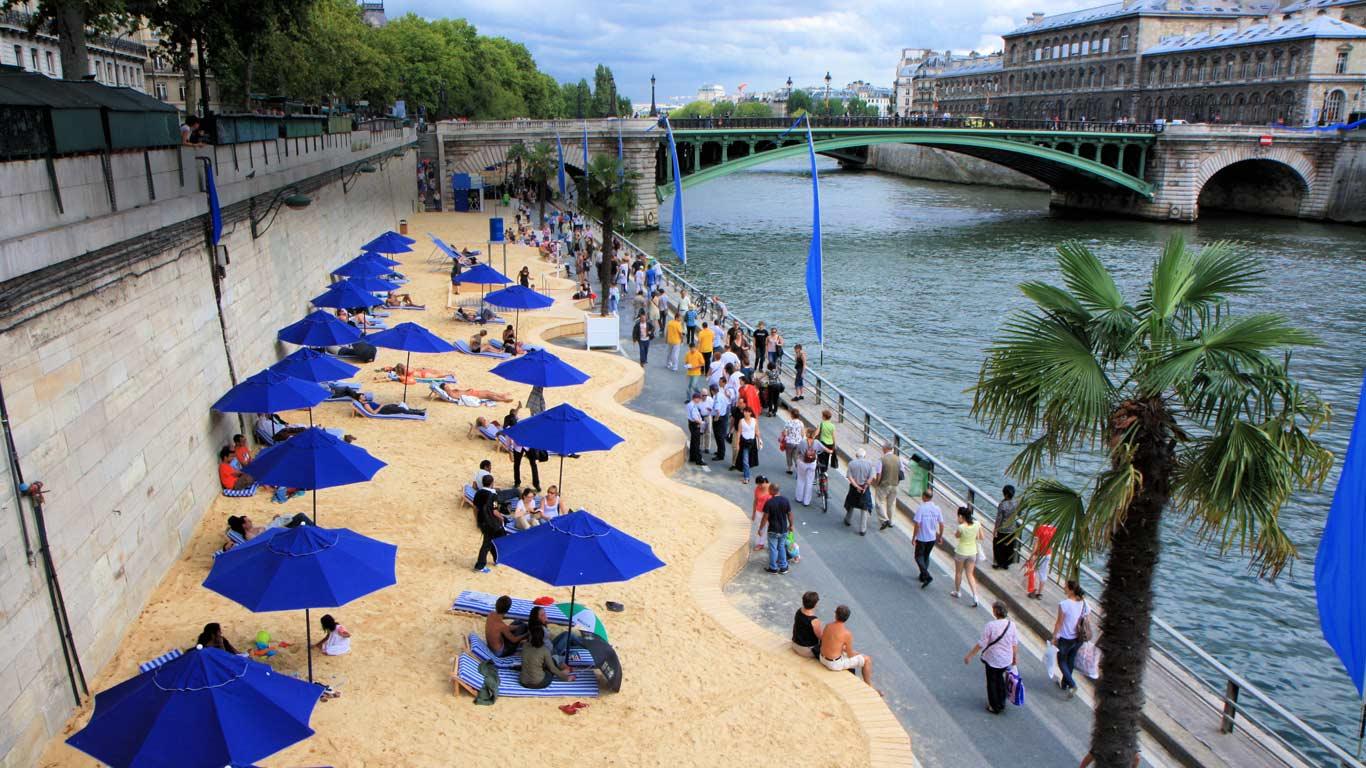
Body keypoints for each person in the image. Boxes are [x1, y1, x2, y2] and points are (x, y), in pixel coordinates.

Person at [963, 601, 1018, 714]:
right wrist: (1014, 658)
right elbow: (1014, 643)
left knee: (992, 681)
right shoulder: (1011, 625)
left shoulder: (991, 626)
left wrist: (970, 655)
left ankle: (994, 706)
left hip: (992, 659)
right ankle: (1002, 702)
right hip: (1005, 659)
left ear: (996, 612)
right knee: (1000, 679)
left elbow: (982, 643)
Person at [819, 605, 875, 688]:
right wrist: (857, 653)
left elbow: (826, 641)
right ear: (847, 618)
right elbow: (850, 655)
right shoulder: (846, 634)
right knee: (867, 659)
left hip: (822, 658)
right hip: (833, 664)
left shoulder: (828, 625)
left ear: (835, 614)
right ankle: (870, 687)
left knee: (845, 650)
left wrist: (842, 648)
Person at [1053, 580, 1090, 697]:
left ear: (1071, 590)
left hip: (1065, 637)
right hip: (1078, 638)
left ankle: (1073, 684)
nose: (1064, 588)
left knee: (1061, 661)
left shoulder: (1064, 604)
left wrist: (1055, 637)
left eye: (1066, 587)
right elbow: (1087, 617)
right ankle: (1065, 684)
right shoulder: (1084, 603)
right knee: (1070, 660)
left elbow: (1059, 623)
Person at [521, 624, 574, 688]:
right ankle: (565, 672)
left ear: (530, 636)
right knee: (550, 670)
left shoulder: (525, 646)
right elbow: (552, 668)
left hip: (523, 682)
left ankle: (563, 670)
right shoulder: (544, 650)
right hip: (539, 683)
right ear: (542, 637)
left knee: (546, 665)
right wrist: (566, 678)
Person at [951, 506, 984, 606]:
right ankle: (975, 596)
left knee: (958, 573)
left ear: (961, 516)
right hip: (972, 552)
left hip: (961, 552)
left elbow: (957, 536)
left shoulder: (961, 527)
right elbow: (981, 537)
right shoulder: (977, 524)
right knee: (970, 574)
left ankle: (957, 591)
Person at [473, 475, 506, 573]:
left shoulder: (478, 493)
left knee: (491, 540)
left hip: (481, 520)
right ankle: (480, 565)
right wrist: (502, 518)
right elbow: (495, 511)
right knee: (487, 543)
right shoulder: (493, 495)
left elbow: (475, 508)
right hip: (491, 522)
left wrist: (477, 520)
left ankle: (496, 559)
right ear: (492, 483)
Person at [910, 489, 943, 587]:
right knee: (926, 556)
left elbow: (917, 524)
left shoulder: (921, 508)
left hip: (922, 537)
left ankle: (927, 575)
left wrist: (914, 537)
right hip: (932, 537)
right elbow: (941, 524)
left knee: (918, 556)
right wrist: (940, 536)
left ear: (924, 496)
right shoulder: (937, 508)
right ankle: (923, 575)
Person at [843, 447, 877, 535]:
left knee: (851, 503)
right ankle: (862, 529)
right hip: (865, 488)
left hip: (854, 488)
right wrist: (865, 486)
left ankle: (847, 520)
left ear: (856, 455)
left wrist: (857, 486)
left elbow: (850, 477)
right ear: (865, 456)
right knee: (864, 507)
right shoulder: (870, 464)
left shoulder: (851, 464)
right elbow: (871, 477)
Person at [761, 483, 792, 574]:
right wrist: (791, 525)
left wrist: (761, 528)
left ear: (772, 490)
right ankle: (783, 567)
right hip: (783, 530)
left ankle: (773, 568)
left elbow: (765, 517)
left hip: (773, 530)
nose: (768, 491)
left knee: (773, 549)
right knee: (781, 547)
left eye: (769, 489)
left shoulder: (769, 502)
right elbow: (790, 514)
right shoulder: (785, 500)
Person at [794, 427, 826, 506]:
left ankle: (799, 498)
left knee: (801, 480)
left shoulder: (802, 442)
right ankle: (806, 501)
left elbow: (797, 452)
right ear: (814, 434)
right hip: (812, 464)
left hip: (802, 462)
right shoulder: (817, 442)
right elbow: (823, 449)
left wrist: (797, 461)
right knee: (809, 482)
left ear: (807, 434)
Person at [1026, 521, 1057, 599]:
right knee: (1043, 573)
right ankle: (1040, 593)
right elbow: (1054, 544)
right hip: (1047, 554)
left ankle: (1032, 590)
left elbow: (1036, 544)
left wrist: (1032, 555)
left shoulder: (1040, 528)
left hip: (1038, 554)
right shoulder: (1054, 529)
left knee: (1033, 572)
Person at [993, 484, 1019, 569]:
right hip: (1012, 529)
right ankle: (1006, 564)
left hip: (1002, 529)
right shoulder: (1016, 503)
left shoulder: (1002, 504)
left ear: (1005, 494)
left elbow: (999, 518)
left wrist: (996, 529)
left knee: (997, 546)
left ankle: (998, 563)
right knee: (1009, 547)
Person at [874, 444, 900, 531]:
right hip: (895, 484)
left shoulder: (881, 460)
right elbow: (901, 472)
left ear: (885, 449)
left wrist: (877, 483)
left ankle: (884, 519)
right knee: (891, 504)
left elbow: (879, 474)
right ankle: (891, 521)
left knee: (879, 502)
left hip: (884, 485)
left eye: (883, 447)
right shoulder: (898, 459)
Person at [791, 591, 824, 658]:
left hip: (794, 644)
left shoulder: (799, 611)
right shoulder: (814, 620)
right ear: (815, 604)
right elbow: (821, 637)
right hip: (806, 651)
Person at [736, 406, 761, 483]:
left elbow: (757, 431)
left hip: (752, 442)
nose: (745, 413)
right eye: (744, 411)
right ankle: (747, 477)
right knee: (745, 460)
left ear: (750, 413)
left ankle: (745, 470)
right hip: (744, 442)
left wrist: (759, 440)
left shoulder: (754, 420)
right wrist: (737, 443)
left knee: (750, 458)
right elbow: (739, 432)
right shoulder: (741, 421)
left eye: (747, 412)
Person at [710, 383, 731, 463]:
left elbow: (718, 410)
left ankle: (720, 455)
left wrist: (716, 418)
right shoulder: (721, 395)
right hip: (723, 416)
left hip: (719, 418)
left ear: (712, 391)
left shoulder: (717, 397)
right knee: (720, 436)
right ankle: (719, 451)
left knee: (719, 436)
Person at [750, 476, 772, 551]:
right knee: (760, 528)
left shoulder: (772, 488)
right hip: (759, 511)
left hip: (769, 512)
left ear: (765, 482)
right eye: (758, 484)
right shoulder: (757, 489)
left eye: (760, 484)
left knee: (771, 529)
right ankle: (760, 543)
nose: (759, 486)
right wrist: (753, 513)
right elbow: (755, 501)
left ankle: (771, 545)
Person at [686, 391, 707, 466]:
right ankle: (698, 460)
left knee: (693, 441)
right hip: (695, 425)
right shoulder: (693, 406)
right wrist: (701, 422)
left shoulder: (689, 404)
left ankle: (692, 457)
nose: (699, 400)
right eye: (699, 399)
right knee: (697, 443)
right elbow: (695, 417)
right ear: (695, 398)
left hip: (691, 424)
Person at [781, 408, 804, 475]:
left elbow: (785, 433)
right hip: (798, 442)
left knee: (788, 455)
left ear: (791, 415)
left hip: (789, 442)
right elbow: (802, 434)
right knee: (796, 456)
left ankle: (790, 468)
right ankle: (798, 468)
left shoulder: (788, 422)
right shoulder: (801, 423)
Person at [439, 383, 515, 403]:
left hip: (472, 392)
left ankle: (501, 395)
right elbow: (457, 397)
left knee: (487, 391)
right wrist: (468, 394)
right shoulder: (450, 393)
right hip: (472, 395)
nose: (448, 387)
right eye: (446, 387)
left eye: (447, 385)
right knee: (488, 395)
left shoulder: (451, 390)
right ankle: (503, 400)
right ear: (444, 389)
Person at [353, 398, 426, 417]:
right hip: (383, 410)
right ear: (360, 400)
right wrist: (381, 406)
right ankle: (420, 413)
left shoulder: (367, 402)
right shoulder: (366, 405)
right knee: (402, 409)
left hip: (385, 408)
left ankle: (419, 410)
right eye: (362, 397)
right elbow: (373, 413)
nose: (364, 397)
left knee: (400, 406)